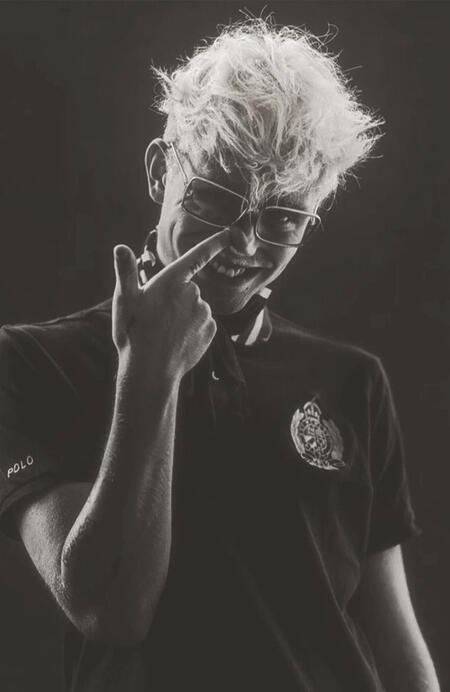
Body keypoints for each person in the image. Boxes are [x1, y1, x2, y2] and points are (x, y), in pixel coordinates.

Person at [0, 18, 440, 692]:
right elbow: (108, 611)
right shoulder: (32, 362)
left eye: (283, 217)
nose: (244, 242)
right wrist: (149, 370)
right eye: (216, 197)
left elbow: (395, 643)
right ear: (160, 172)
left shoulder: (353, 380)